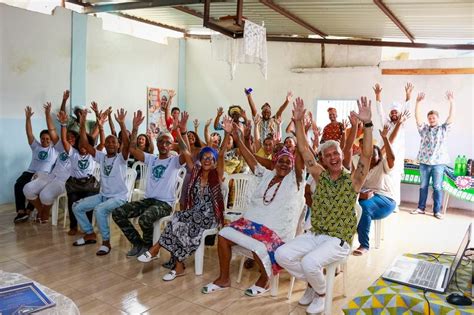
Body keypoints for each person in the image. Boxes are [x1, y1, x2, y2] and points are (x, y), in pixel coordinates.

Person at [275, 96, 373, 314]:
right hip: (316, 233)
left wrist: (367, 124)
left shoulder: (353, 180)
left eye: (336, 153)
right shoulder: (320, 176)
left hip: (339, 239)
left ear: (341, 155)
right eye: (327, 155)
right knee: (282, 254)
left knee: (310, 263)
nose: (333, 157)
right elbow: (303, 149)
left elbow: (366, 155)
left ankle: (321, 293)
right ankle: (314, 285)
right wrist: (299, 122)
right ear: (323, 160)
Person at [201, 122, 305, 297]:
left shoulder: (296, 180)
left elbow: (301, 158)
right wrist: (237, 136)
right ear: (275, 162)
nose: (285, 164)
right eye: (281, 161)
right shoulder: (266, 174)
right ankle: (224, 278)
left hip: (274, 232)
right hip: (250, 224)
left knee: (259, 246)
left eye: (289, 162)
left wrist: (300, 127)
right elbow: (250, 158)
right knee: (224, 235)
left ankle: (265, 279)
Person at [137, 117, 233, 282]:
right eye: (204, 158)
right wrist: (181, 131)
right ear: (200, 160)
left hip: (210, 218)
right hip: (194, 214)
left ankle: (156, 250)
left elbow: (222, 153)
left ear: (215, 162)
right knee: (179, 222)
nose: (207, 160)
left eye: (211, 158)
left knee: (180, 220)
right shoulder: (195, 172)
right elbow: (186, 152)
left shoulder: (216, 175)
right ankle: (178, 266)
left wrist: (227, 133)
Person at [112, 110, 192, 258]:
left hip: (164, 204)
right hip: (149, 201)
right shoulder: (151, 159)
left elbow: (187, 152)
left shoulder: (174, 161)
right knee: (118, 213)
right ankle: (139, 244)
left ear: (171, 146)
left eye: (167, 142)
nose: (163, 144)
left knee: (145, 219)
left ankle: (149, 249)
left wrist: (180, 130)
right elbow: (132, 149)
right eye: (161, 141)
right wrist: (135, 128)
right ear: (156, 143)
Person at [72, 108, 130, 256]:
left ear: (118, 145)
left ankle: (106, 242)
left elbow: (127, 143)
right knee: (77, 206)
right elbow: (84, 143)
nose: (110, 144)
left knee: (99, 210)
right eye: (108, 142)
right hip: (104, 195)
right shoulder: (101, 157)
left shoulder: (121, 158)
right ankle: (89, 233)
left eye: (113, 142)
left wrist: (122, 124)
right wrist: (83, 123)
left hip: (119, 198)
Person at [57, 110, 104, 235]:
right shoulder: (73, 153)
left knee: (87, 206)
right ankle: (73, 226)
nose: (83, 147)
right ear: (77, 145)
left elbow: (102, 143)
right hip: (74, 185)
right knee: (73, 205)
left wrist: (101, 126)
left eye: (86, 145)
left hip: (89, 184)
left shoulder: (92, 154)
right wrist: (63, 125)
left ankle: (87, 227)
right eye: (80, 144)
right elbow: (64, 140)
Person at [352, 125, 396, 255]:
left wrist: (385, 138)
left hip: (386, 199)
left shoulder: (383, 165)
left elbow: (391, 158)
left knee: (363, 207)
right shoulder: (361, 165)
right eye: (369, 155)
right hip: (367, 196)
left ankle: (364, 245)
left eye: (374, 155)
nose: (371, 158)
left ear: (379, 156)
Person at [23, 103, 70, 224]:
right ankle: (41, 211)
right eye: (68, 138)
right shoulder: (60, 147)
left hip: (61, 180)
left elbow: (53, 132)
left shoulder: (72, 152)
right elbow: (52, 130)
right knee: (27, 188)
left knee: (45, 195)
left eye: (73, 139)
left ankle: (42, 213)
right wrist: (46, 114)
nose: (69, 140)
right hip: (49, 176)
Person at [411, 91, 455, 219]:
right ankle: (421, 208)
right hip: (424, 162)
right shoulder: (424, 129)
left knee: (437, 187)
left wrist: (452, 102)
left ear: (437, 118)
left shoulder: (443, 129)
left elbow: (451, 118)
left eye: (433, 118)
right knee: (423, 186)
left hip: (438, 163)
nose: (431, 119)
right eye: (429, 118)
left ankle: (437, 211)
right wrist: (417, 103)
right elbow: (417, 118)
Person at [14, 106, 59, 223]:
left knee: (35, 189)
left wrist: (47, 114)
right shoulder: (36, 146)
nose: (45, 141)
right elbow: (29, 133)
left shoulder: (55, 150)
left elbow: (53, 129)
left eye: (48, 139)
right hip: (30, 172)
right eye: (43, 139)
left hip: (44, 175)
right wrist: (28, 118)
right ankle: (21, 211)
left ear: (51, 140)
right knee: (18, 185)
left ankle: (29, 211)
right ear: (40, 139)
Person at [374, 83, 413, 210]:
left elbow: (407, 110)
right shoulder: (386, 122)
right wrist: (378, 96)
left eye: (396, 112)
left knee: (395, 180)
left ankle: (395, 204)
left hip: (397, 157)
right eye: (392, 112)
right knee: (384, 179)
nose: (394, 114)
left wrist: (408, 97)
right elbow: (380, 112)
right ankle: (384, 201)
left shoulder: (402, 123)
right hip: (384, 156)